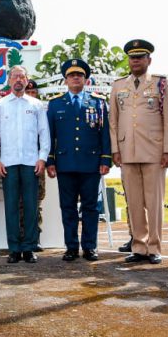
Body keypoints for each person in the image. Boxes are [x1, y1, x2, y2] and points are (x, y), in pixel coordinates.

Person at [109, 40, 168, 265]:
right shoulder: (118, 85)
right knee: (134, 201)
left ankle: (154, 246)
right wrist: (115, 150)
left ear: (149, 60)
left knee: (155, 202)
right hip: (127, 150)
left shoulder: (160, 83)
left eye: (140, 56)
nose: (135, 60)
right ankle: (139, 245)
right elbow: (114, 121)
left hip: (154, 151)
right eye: (132, 57)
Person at [46, 59, 111, 261]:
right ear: (65, 80)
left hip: (91, 163)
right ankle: (72, 247)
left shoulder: (98, 102)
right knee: (68, 206)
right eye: (72, 75)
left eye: (80, 75)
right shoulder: (55, 104)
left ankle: (90, 246)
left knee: (91, 207)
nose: (76, 78)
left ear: (86, 79)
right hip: (65, 164)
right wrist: (50, 160)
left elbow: (105, 133)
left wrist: (106, 159)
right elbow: (50, 135)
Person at [0, 65, 50, 264]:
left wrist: (42, 157)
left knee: (32, 206)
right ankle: (14, 248)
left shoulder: (36, 105)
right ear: (8, 81)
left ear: (26, 80)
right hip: (8, 163)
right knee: (12, 206)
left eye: (22, 77)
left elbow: (44, 134)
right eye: (15, 76)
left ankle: (29, 247)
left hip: (31, 162)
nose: (18, 80)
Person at [23, 80, 46, 251]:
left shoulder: (40, 109)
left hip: (37, 160)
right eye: (28, 91)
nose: (31, 94)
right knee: (19, 202)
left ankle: (35, 234)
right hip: (20, 160)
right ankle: (23, 235)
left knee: (36, 199)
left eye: (33, 91)